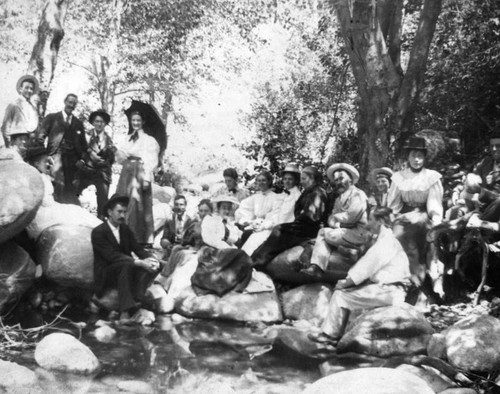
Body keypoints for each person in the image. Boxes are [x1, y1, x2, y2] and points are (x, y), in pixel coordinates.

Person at [308, 208, 411, 345]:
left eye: (371, 219)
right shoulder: (385, 239)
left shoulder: (386, 242)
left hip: (390, 291)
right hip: (388, 288)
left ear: (380, 221)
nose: (368, 223)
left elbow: (366, 267)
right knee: (346, 293)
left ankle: (330, 335)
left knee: (340, 295)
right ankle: (337, 333)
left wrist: (346, 282)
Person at [387, 136, 444, 297]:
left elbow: (434, 203)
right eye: (413, 155)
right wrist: (391, 217)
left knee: (411, 235)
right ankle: (395, 279)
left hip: (422, 214)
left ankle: (416, 279)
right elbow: (393, 204)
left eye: (420, 156)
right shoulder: (399, 177)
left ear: (425, 158)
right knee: (394, 234)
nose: (417, 160)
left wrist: (436, 221)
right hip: (404, 215)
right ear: (408, 157)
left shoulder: (431, 177)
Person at [91, 194, 161, 319]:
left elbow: (137, 248)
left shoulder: (125, 229)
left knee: (154, 265)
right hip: (107, 273)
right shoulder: (98, 232)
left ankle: (137, 299)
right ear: (110, 212)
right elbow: (111, 256)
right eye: (119, 212)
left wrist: (152, 259)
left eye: (124, 212)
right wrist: (139, 262)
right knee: (127, 265)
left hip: (126, 268)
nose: (122, 215)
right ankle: (125, 312)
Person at [302, 163, 371, 277]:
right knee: (326, 231)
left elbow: (351, 217)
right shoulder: (339, 199)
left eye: (341, 178)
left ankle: (318, 267)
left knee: (323, 232)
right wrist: (339, 222)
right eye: (336, 180)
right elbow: (331, 218)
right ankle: (348, 250)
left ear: (350, 179)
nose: (338, 182)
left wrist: (337, 220)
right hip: (345, 231)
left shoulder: (358, 194)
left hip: (359, 233)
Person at [251, 166, 328, 267]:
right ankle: (254, 257)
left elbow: (312, 217)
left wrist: (299, 216)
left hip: (310, 230)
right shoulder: (308, 191)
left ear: (312, 179)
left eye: (304, 179)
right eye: (301, 179)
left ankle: (259, 261)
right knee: (277, 230)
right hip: (303, 225)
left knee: (279, 230)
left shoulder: (317, 193)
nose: (302, 182)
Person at [24, 145, 101, 239]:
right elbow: (45, 202)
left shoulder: (42, 175)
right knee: (76, 213)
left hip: (47, 210)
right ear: (36, 163)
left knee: (77, 211)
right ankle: (104, 232)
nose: (48, 164)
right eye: (45, 162)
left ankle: (104, 231)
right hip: (41, 216)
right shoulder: (35, 178)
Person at [115, 110, 160, 245]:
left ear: (143, 122)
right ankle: (122, 235)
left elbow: (151, 160)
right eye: (133, 120)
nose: (135, 123)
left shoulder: (149, 140)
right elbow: (120, 158)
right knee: (123, 200)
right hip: (126, 172)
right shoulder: (127, 138)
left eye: (138, 120)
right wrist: (118, 154)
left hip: (139, 171)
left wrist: (147, 178)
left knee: (137, 204)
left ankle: (137, 238)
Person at [241, 163, 302, 256]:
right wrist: (264, 224)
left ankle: (249, 262)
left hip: (283, 228)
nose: (287, 181)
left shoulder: (295, 196)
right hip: (272, 224)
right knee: (252, 237)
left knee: (257, 240)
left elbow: (283, 218)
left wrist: (266, 226)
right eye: (285, 179)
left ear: (296, 180)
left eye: (290, 179)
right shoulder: (283, 195)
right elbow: (274, 213)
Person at [38, 93, 84, 204]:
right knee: (58, 183)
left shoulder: (78, 123)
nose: (71, 105)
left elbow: (83, 144)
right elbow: (40, 137)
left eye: (74, 103)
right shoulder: (52, 118)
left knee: (71, 187)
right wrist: (45, 155)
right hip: (56, 156)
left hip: (73, 159)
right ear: (65, 102)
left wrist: (82, 159)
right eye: (70, 102)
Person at [74, 110, 116, 219]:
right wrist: (86, 158)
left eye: (102, 122)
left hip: (102, 172)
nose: (99, 124)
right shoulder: (85, 136)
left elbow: (111, 159)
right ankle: (74, 216)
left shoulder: (108, 139)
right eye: (97, 121)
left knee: (103, 198)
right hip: (86, 170)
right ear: (93, 122)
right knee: (74, 191)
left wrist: (104, 161)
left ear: (105, 124)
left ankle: (101, 220)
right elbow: (79, 151)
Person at [235, 170, 279, 245]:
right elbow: (244, 207)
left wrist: (263, 225)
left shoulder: (276, 197)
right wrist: (248, 221)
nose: (261, 183)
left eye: (263, 180)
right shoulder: (256, 197)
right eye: (259, 181)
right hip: (255, 225)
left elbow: (275, 217)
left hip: (267, 227)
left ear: (269, 182)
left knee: (247, 235)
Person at [1, 75, 39, 147]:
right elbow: (5, 128)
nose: (29, 91)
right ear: (21, 89)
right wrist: (9, 145)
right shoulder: (13, 105)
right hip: (17, 140)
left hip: (31, 142)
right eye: (26, 88)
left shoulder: (33, 107)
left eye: (31, 89)